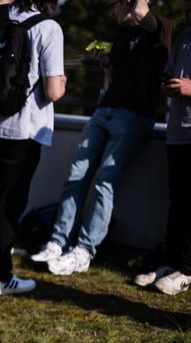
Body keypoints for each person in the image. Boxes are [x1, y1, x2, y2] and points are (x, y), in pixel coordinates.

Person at [31, 0, 169, 276]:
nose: (111, 11)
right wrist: (106, 63)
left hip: (133, 115)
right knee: (76, 176)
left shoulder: (158, 28)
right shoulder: (121, 35)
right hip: (105, 111)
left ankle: (85, 249)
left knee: (106, 182)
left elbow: (145, 14)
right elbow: (114, 78)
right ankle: (58, 241)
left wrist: (135, 6)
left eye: (114, 5)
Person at [0, 0, 65, 295]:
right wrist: (63, 81)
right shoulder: (48, 27)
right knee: (9, 202)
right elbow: (53, 90)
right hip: (23, 129)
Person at [135, 0, 191, 295]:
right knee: (177, 202)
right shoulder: (183, 37)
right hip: (176, 132)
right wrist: (167, 83)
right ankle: (172, 263)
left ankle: (187, 270)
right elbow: (168, 72)